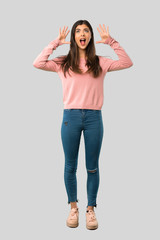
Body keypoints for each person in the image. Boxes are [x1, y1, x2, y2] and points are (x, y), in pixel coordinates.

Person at [33, 19, 133, 230]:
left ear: (90, 37)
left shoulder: (100, 62)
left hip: (94, 118)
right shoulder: (63, 62)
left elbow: (127, 62)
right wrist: (55, 43)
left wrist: (112, 41)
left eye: (86, 30)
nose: (82, 33)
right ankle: (73, 207)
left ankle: (90, 209)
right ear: (74, 37)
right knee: (70, 166)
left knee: (92, 167)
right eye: (78, 30)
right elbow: (38, 63)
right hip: (70, 117)